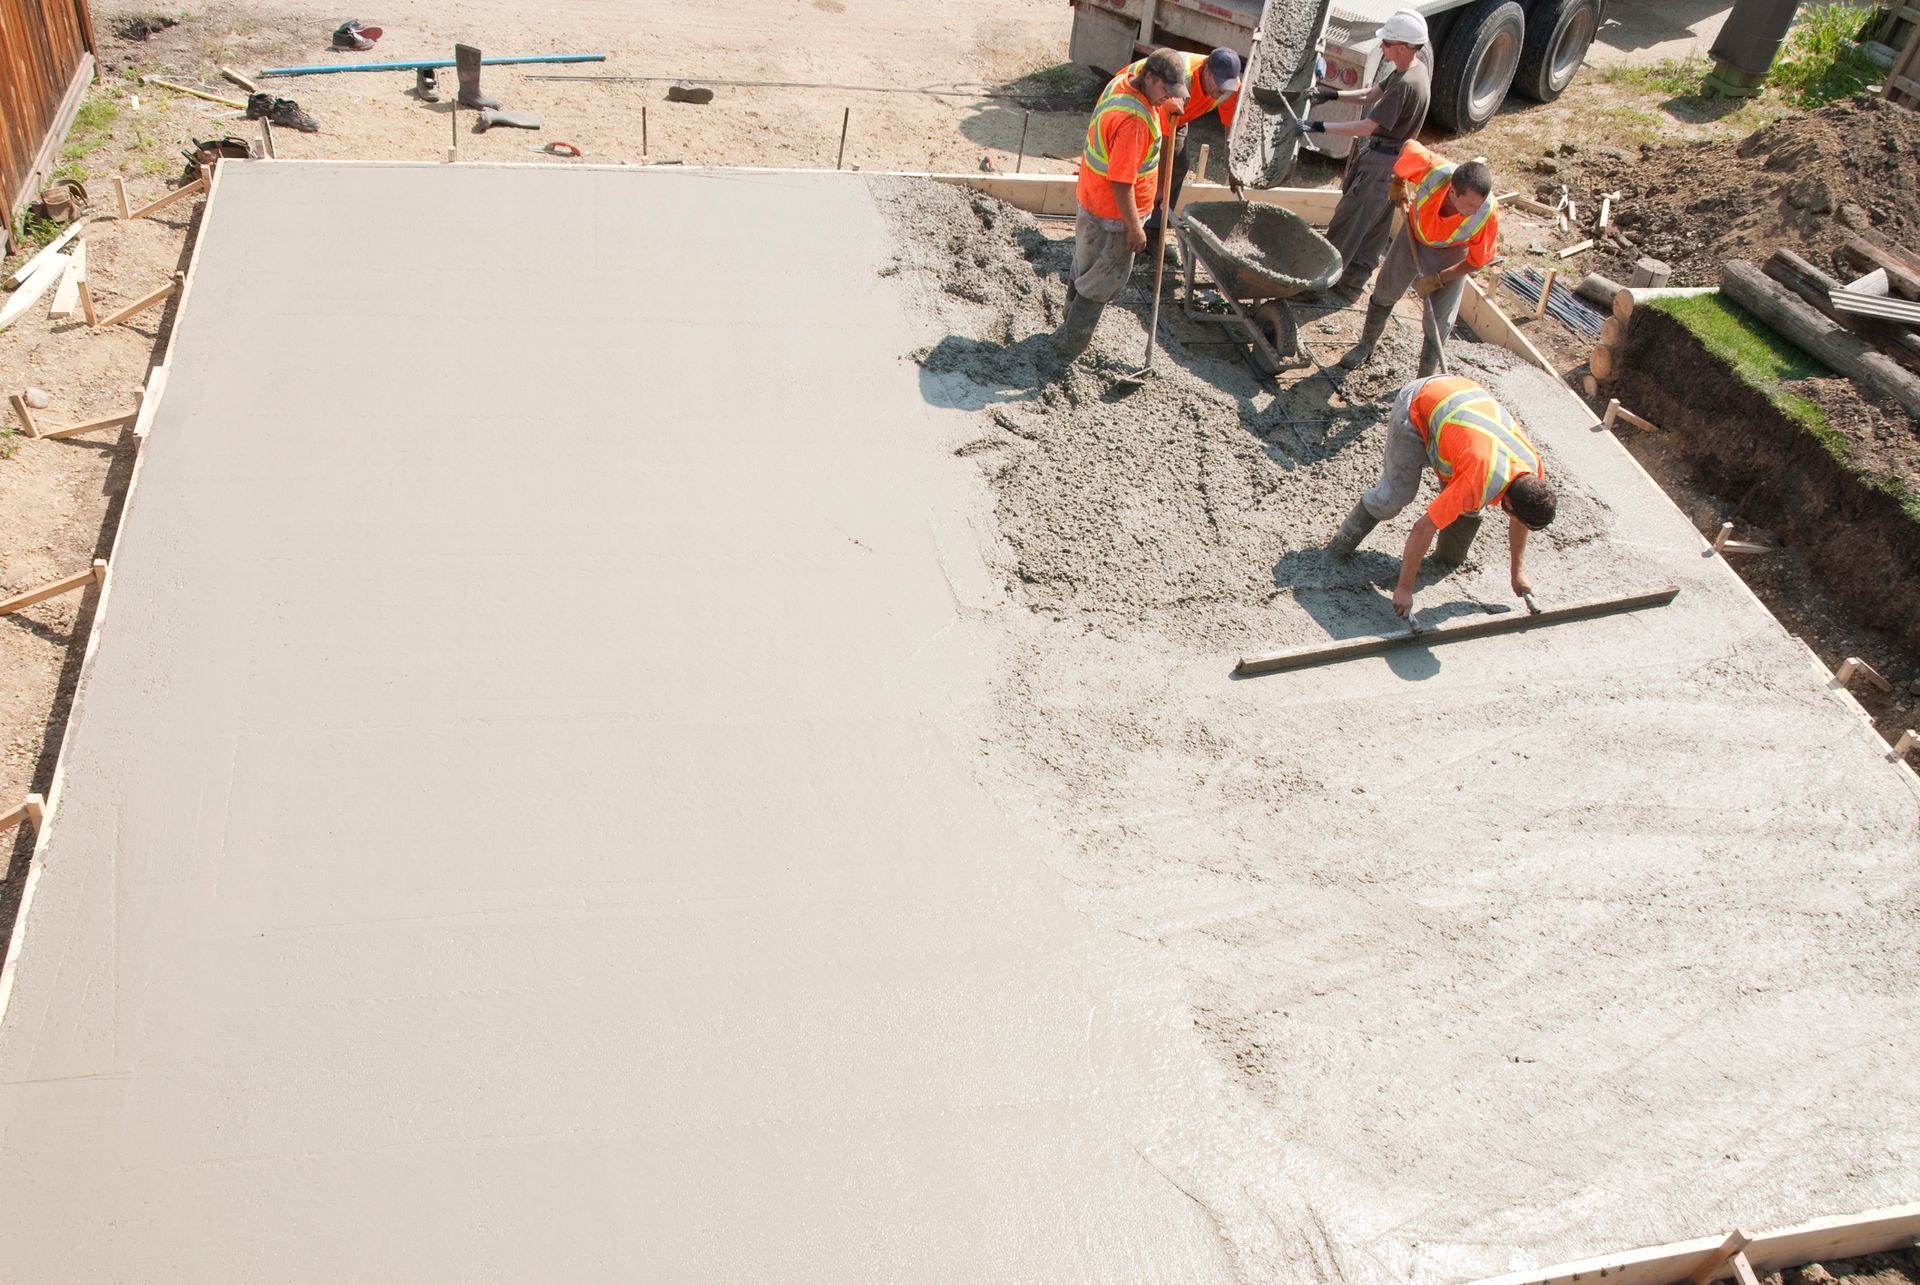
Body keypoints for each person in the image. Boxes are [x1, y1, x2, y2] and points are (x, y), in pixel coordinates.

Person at [1326, 373, 1557, 618]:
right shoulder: (1477, 480)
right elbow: (1423, 528)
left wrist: (1517, 572)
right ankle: (1336, 551)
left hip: (1457, 401)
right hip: (1416, 408)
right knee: (1394, 497)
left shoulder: (1532, 469)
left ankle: (1446, 559)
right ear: (1509, 503)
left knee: (1468, 503)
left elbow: (1520, 519)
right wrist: (1404, 589)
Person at [1053, 49, 1189, 360]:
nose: (1167, 98)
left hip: (1092, 198)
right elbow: (1121, 180)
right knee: (1103, 280)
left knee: (1085, 266)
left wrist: (1166, 104)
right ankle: (1068, 350)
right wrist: (1134, 228)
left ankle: (1065, 330)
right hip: (1114, 216)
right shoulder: (1135, 122)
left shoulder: (1122, 84)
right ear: (1151, 78)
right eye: (1165, 91)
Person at [1295, 11, 1433, 299]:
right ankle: (1351, 286)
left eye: (1385, 42)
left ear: (1403, 47)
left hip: (1381, 166)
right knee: (1374, 230)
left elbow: (1367, 126)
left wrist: (1320, 126)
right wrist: (1333, 95)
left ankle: (1316, 286)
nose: (1381, 46)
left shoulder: (1407, 84)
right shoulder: (1412, 70)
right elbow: (1372, 94)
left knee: (1348, 224)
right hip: (1396, 165)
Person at [1334, 140, 1499, 379]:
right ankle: (1365, 345)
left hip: (1451, 252)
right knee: (1385, 290)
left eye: (1479, 204)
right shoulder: (1435, 171)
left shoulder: (1487, 214)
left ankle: (1424, 380)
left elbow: (1478, 261)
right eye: (1470, 204)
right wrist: (1397, 181)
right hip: (1414, 233)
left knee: (1440, 320)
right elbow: (1408, 147)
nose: (1475, 210)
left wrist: (1440, 279)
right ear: (1453, 191)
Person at [1105, 47, 1246, 251]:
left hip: (1178, 115)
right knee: (1143, 169)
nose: (1222, 91)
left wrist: (1232, 165)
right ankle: (1130, 225)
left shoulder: (1230, 89)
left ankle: (1154, 232)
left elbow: (1230, 128)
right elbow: (1163, 142)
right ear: (1206, 70)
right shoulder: (1180, 85)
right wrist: (1161, 186)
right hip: (1141, 98)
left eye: (1228, 86)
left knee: (1179, 165)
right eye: (1219, 84)